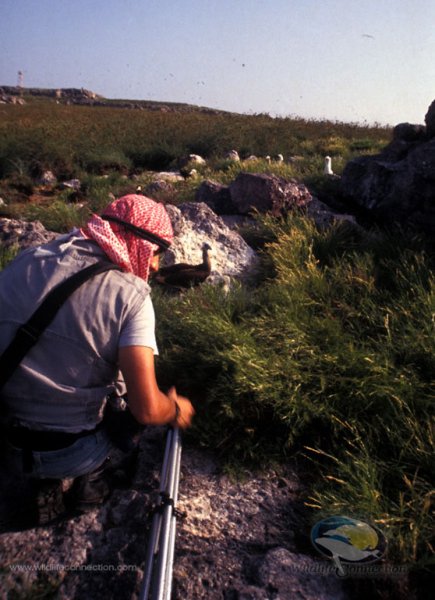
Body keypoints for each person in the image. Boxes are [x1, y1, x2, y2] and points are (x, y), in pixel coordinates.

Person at [0, 194, 195, 525]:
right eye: (158, 253)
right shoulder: (131, 297)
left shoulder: (27, 259)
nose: (156, 266)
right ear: (141, 243)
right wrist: (175, 408)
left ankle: (41, 487)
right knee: (130, 404)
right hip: (70, 453)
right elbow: (146, 408)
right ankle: (89, 485)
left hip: (5, 439)